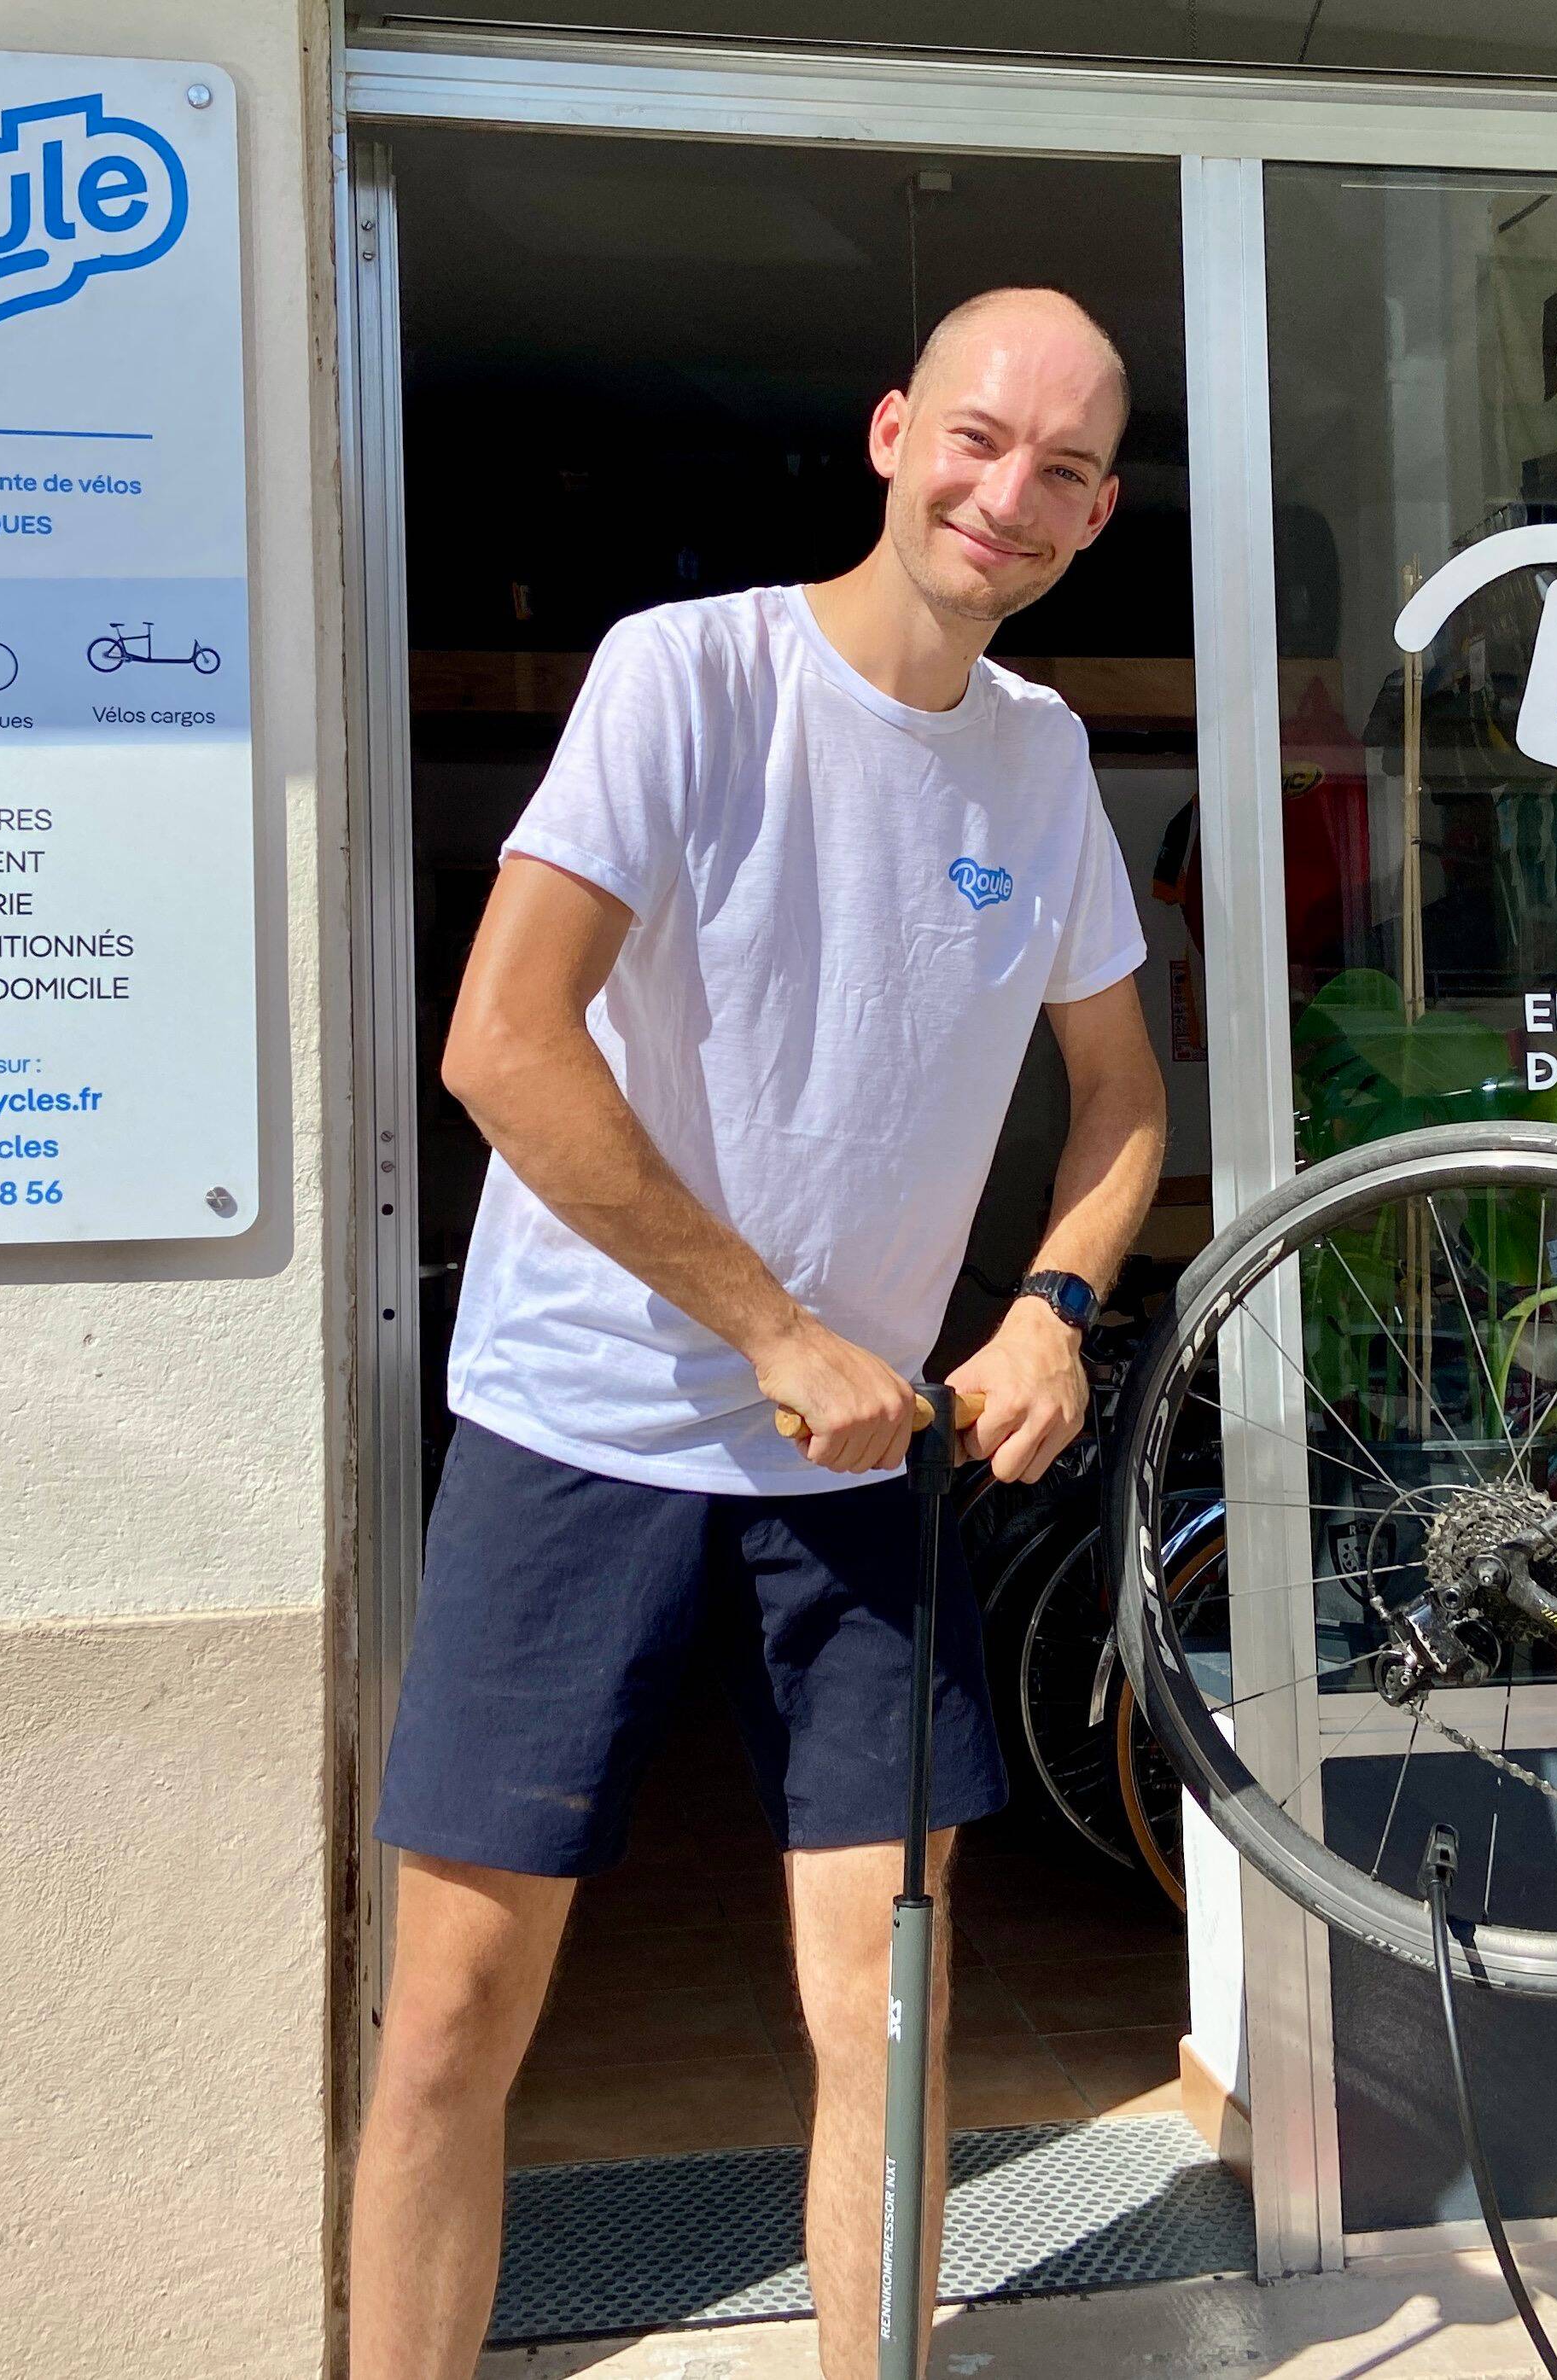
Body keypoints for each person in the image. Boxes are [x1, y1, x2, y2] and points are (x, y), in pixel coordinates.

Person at [348, 286, 1169, 2380]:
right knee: (449, 2013)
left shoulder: (1048, 757)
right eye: (983, 439)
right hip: (581, 1426)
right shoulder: (689, 674)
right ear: (895, 431)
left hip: (858, 1472)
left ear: (1092, 515)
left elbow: (1126, 1102)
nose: (1014, 494)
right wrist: (771, 1323)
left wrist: (1055, 1311)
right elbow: (501, 1047)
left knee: (887, 2019)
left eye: (1067, 470)